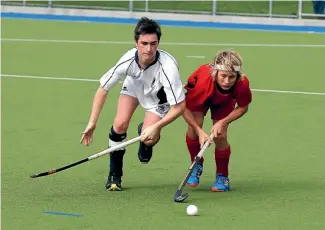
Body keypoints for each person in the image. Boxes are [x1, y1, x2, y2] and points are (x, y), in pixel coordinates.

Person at [80, 17, 186, 191]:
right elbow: (103, 89)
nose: (148, 49)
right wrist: (92, 122)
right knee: (120, 124)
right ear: (135, 42)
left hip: (157, 99)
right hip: (134, 86)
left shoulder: (168, 68)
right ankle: (115, 175)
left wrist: (157, 126)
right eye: (144, 43)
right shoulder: (128, 60)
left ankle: (145, 138)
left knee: (149, 137)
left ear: (158, 43)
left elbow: (180, 107)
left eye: (153, 43)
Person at [182, 50, 252, 192]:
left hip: (224, 102)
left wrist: (223, 122)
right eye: (223, 76)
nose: (227, 81)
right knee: (194, 130)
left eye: (231, 77)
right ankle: (196, 165)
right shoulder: (202, 82)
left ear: (237, 75)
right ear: (215, 73)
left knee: (221, 135)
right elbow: (182, 107)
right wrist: (199, 131)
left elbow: (243, 107)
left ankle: (222, 177)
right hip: (201, 96)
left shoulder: (242, 83)